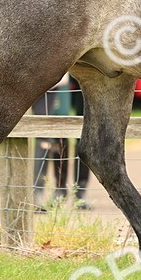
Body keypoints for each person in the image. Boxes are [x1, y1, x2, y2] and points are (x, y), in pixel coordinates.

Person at [32, 74, 91, 211]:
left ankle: (77, 191)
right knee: (50, 135)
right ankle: (54, 190)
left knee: (82, 130)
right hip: (58, 72)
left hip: (80, 71)